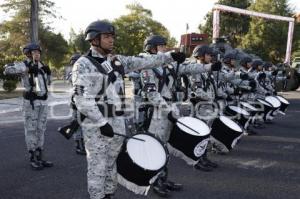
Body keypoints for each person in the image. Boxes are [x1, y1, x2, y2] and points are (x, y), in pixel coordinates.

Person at [71, 20, 185, 199]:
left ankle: (109, 194)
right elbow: (80, 98)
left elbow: (144, 62)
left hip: (117, 121)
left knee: (112, 163)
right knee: (97, 166)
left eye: (112, 37)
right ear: (94, 39)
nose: (111, 40)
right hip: (97, 125)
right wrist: (101, 122)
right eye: (106, 37)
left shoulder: (117, 61)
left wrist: (170, 57)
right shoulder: (83, 64)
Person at [3, 43, 53, 170]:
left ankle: (40, 155)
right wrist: (27, 70)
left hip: (43, 102)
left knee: (41, 129)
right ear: (28, 54)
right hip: (31, 103)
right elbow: (7, 70)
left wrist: (48, 73)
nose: (37, 54)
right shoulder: (24, 64)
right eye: (34, 52)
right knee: (31, 130)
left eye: (38, 52)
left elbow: (47, 83)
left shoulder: (42, 66)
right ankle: (32, 157)